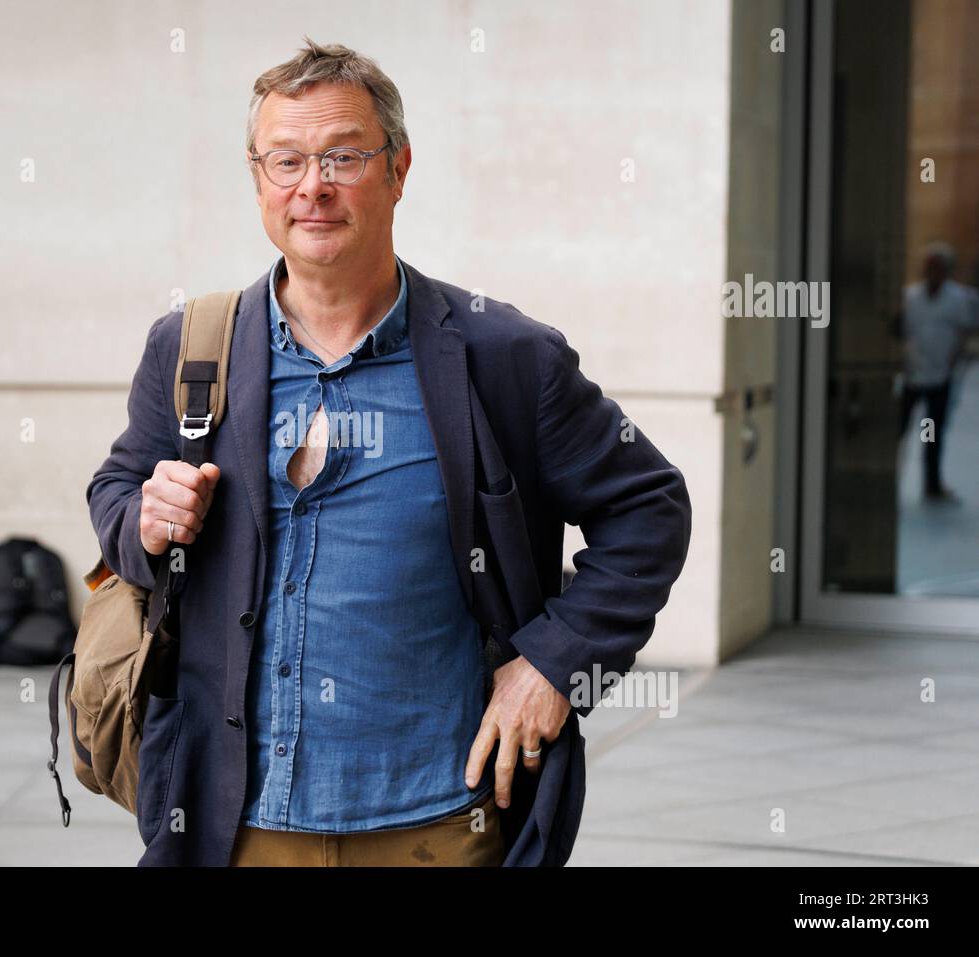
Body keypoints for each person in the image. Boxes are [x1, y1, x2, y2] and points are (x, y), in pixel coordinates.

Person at [87, 38, 692, 867]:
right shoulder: (193, 348)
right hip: (233, 825)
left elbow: (649, 505)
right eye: (286, 160)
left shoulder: (503, 356)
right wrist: (142, 519)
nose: (314, 186)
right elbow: (117, 488)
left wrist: (553, 665)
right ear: (258, 179)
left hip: (440, 826)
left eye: (343, 156)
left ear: (399, 170)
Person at [896, 241, 979, 503]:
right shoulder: (910, 297)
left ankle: (931, 483)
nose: (933, 272)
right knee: (900, 430)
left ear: (947, 271)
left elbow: (966, 333)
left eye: (938, 268)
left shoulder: (960, 299)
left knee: (931, 432)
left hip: (940, 378)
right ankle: (889, 478)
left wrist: (955, 363)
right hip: (912, 377)